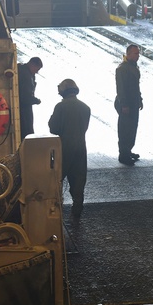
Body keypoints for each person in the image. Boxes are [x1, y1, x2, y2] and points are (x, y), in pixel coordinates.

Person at [48, 78, 91, 216]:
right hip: (80, 147)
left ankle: (54, 209)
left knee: (57, 178)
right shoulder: (86, 107)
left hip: (64, 148)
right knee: (78, 178)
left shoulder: (60, 107)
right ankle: (77, 207)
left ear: (63, 91)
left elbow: (53, 129)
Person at [114, 44, 143, 165]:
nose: (138, 56)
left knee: (132, 128)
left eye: (138, 53)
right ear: (129, 54)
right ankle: (123, 154)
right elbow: (120, 89)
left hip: (134, 102)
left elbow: (136, 86)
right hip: (126, 103)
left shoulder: (133, 66)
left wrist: (140, 99)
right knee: (125, 129)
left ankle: (128, 150)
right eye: (136, 53)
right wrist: (124, 104)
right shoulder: (122, 68)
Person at [16, 56, 43, 139]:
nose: (36, 72)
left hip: (20, 108)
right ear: (32, 65)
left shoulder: (21, 70)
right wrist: (36, 101)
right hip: (23, 111)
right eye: (37, 70)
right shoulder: (26, 75)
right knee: (26, 133)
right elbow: (25, 97)